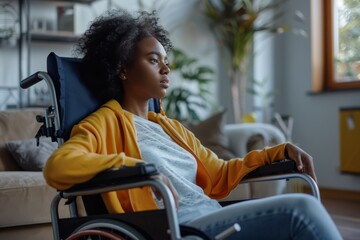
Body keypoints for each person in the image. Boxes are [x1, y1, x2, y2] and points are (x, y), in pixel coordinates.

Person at [43, 10, 342, 239]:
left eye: (165, 60)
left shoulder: (170, 128)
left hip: (210, 216)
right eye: (153, 60)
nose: (166, 67)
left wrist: (278, 152)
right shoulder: (105, 122)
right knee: (300, 210)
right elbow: (58, 166)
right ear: (122, 70)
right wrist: (137, 168)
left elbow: (220, 174)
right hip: (176, 227)